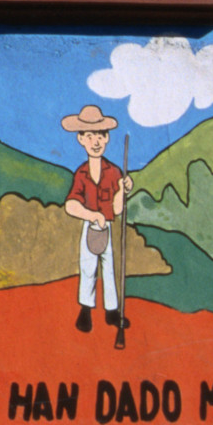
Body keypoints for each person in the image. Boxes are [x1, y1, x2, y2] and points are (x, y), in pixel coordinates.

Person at [61, 105, 133, 333]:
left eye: (100, 135)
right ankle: (85, 311)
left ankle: (112, 311)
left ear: (107, 138)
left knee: (109, 268)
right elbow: (71, 205)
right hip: (89, 227)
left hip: (108, 229)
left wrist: (122, 191)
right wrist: (92, 215)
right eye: (90, 136)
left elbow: (117, 209)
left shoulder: (114, 172)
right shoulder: (81, 173)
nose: (96, 141)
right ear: (81, 139)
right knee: (88, 268)